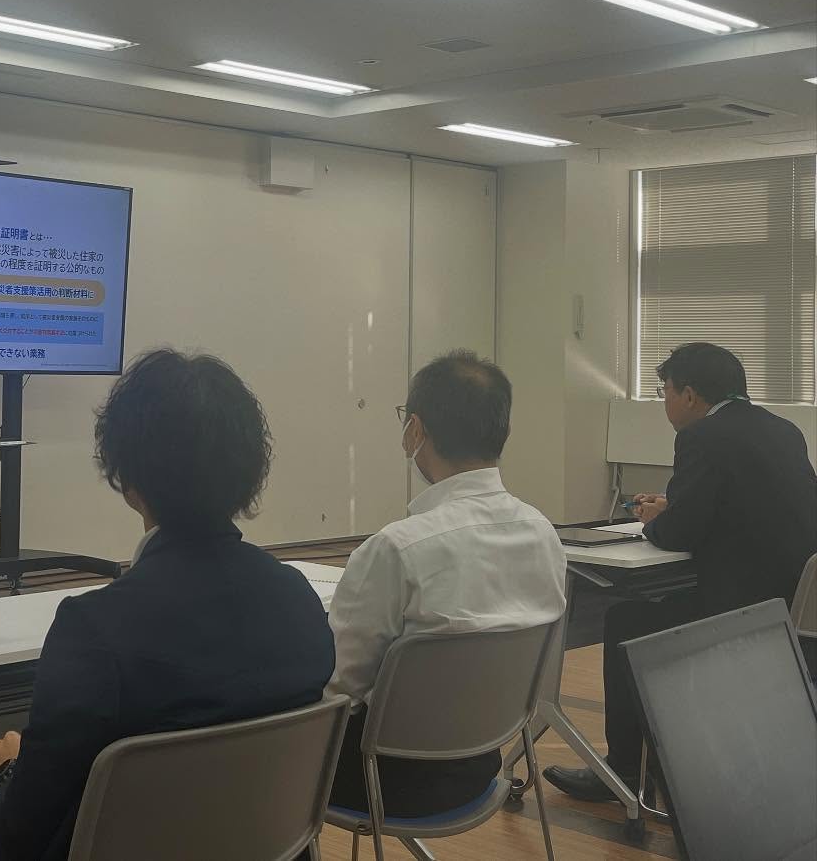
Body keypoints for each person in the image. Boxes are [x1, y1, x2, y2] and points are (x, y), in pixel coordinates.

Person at [0, 349, 335, 861]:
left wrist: (9, 771)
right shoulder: (299, 603)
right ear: (249, 468)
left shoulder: (95, 629)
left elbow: (20, 837)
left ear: (128, 479)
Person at [546, 342, 817, 802]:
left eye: (665, 391)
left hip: (740, 614)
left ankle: (625, 773)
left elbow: (680, 533)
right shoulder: (783, 430)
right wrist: (675, 507)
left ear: (689, 395)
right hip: (791, 610)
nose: (665, 402)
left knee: (626, 621)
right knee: (660, 608)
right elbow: (749, 506)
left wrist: (657, 519)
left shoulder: (702, 436)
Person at [325, 350, 567, 817]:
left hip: (379, 778)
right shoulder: (543, 535)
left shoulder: (396, 549)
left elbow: (337, 690)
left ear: (414, 431)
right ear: (502, 431)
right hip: (483, 764)